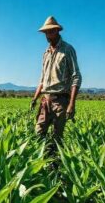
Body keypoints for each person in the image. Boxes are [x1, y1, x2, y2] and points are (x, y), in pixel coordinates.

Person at [30, 16, 82, 152]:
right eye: (45, 32)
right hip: (45, 100)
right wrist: (35, 98)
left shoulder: (67, 50)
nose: (47, 35)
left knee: (57, 138)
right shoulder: (45, 53)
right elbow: (42, 79)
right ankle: (42, 163)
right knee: (38, 133)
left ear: (57, 30)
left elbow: (76, 76)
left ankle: (56, 167)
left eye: (50, 31)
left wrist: (72, 104)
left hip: (60, 101)